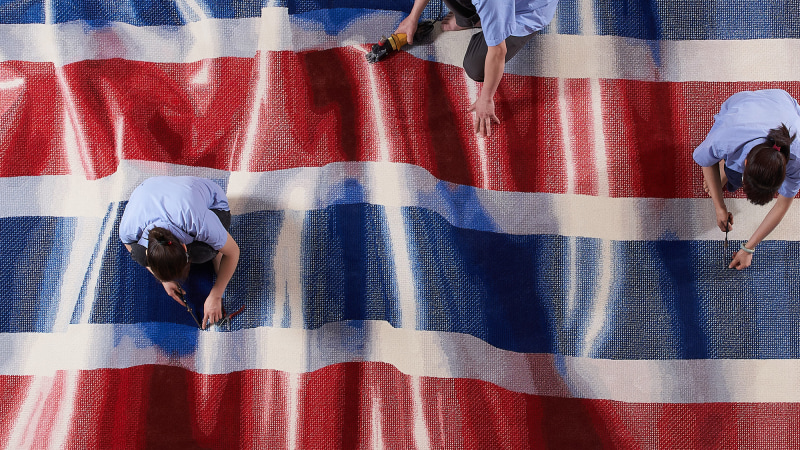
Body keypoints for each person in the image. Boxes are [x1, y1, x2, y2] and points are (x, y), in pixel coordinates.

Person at [395, 0, 559, 136]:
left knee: (476, 67)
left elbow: (498, 52)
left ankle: (483, 22)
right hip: (498, 7)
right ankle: (472, 19)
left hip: (525, 14)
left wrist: (486, 98)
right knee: (488, 19)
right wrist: (412, 17)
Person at [694, 89, 800, 270]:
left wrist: (749, 248)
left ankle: (726, 171)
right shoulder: (725, 138)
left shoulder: (797, 159)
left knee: (726, 180)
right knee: (729, 176)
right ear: (745, 162)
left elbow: (783, 204)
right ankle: (725, 168)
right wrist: (719, 207)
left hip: (783, 103)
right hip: (740, 106)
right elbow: (705, 161)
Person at [119, 176, 240, 328]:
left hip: (211, 203)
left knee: (204, 253)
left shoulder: (196, 220)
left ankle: (217, 254)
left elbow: (234, 251)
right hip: (153, 190)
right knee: (136, 254)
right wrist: (163, 279)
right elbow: (127, 243)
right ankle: (217, 246)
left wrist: (216, 294)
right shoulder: (129, 226)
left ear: (184, 248)